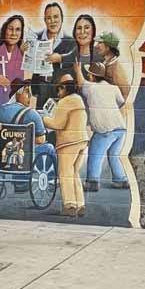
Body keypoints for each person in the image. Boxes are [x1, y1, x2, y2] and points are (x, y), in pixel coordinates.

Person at [81, 33, 131, 192]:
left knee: (95, 152)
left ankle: (92, 181)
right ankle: (120, 179)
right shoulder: (107, 66)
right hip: (119, 127)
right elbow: (119, 98)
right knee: (114, 154)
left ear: (109, 47)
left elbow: (126, 96)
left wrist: (101, 116)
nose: (96, 45)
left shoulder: (114, 69)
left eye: (100, 43)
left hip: (107, 126)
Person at [42, 75, 90, 217]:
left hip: (69, 142)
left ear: (63, 88)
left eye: (59, 90)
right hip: (82, 140)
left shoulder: (65, 102)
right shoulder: (78, 100)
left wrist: (43, 118)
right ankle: (80, 204)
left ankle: (69, 204)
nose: (58, 93)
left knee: (65, 173)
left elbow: (58, 124)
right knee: (75, 172)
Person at [30, 1, 76, 107]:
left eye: (56, 17)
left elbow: (72, 65)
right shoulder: (35, 38)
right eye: (49, 18)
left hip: (60, 89)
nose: (52, 21)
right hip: (41, 88)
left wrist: (60, 59)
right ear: (45, 20)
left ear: (62, 19)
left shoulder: (70, 41)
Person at [0, 14, 28, 107]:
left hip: (14, 105)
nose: (13, 33)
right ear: (5, 30)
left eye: (18, 29)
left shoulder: (21, 54)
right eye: (10, 29)